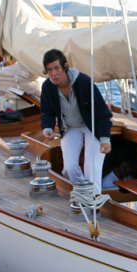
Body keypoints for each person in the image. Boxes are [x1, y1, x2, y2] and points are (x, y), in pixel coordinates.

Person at [40, 49, 112, 189]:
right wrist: (47, 128)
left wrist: (105, 139)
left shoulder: (84, 82)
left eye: (56, 68)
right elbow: (47, 111)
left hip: (91, 126)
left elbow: (102, 113)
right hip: (70, 127)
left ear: (65, 66)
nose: (53, 74)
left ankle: (94, 204)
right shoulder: (48, 87)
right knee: (69, 169)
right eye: (49, 70)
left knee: (92, 169)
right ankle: (82, 193)